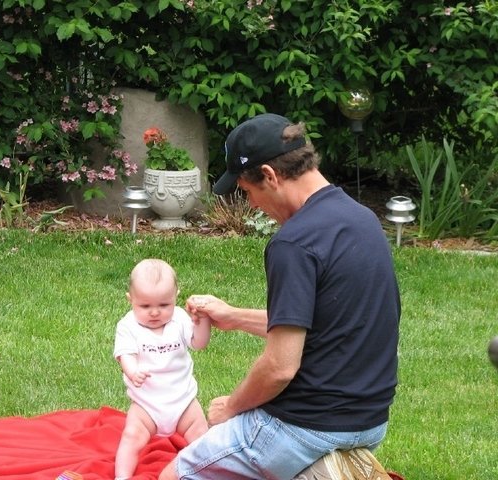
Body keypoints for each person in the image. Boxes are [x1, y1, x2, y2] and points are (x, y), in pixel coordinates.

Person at [159, 113, 400, 480]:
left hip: (304, 428)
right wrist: (234, 316)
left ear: (270, 176)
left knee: (173, 475)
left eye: (248, 192)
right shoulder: (363, 220)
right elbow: (327, 324)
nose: (253, 205)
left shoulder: (294, 242)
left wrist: (231, 408)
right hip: (369, 423)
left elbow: (279, 368)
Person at [114, 259, 211, 480]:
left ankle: (208, 471)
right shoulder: (127, 326)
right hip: (146, 403)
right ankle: (122, 476)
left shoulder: (180, 319)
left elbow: (199, 343)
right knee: (131, 436)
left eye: (164, 305)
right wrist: (132, 371)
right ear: (131, 300)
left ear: (176, 296)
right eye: (145, 306)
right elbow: (124, 354)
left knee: (201, 435)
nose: (155, 312)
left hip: (183, 400)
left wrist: (202, 321)